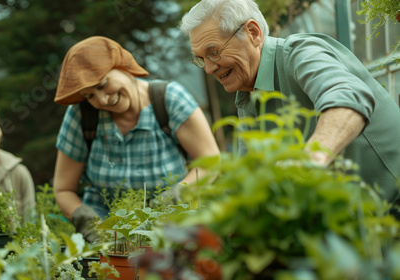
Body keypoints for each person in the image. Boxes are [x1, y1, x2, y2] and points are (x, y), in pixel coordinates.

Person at [180, 0, 400, 216]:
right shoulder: (247, 97)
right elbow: (252, 176)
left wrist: (313, 157)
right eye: (201, 59)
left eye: (213, 53)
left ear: (253, 34)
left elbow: (347, 96)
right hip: (355, 224)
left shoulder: (300, 53)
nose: (209, 69)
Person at [53, 36, 220, 242]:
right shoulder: (82, 115)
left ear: (122, 66)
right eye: (89, 96)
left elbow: (210, 163)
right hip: (106, 226)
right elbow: (63, 189)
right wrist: (91, 223)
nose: (102, 99)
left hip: (171, 223)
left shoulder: (169, 99)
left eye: (103, 84)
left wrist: (175, 197)